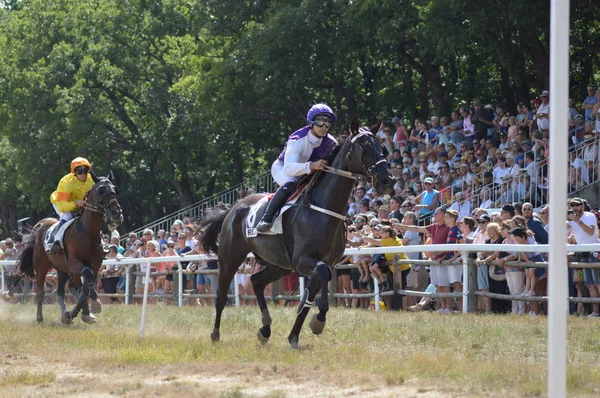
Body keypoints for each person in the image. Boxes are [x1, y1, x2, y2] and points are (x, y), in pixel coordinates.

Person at [256, 104, 338, 232]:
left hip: (308, 172)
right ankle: (266, 218)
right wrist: (312, 165)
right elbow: (289, 169)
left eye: (328, 123)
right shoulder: (297, 139)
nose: (324, 127)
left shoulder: (332, 143)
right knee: (290, 184)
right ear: (311, 123)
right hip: (283, 168)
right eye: (319, 122)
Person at [48, 157, 95, 252]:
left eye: (85, 171)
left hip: (80, 204)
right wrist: (76, 203)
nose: (83, 174)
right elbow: (62, 206)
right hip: (60, 203)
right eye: (79, 171)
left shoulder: (92, 181)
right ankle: (55, 241)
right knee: (68, 216)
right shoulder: (65, 182)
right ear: (74, 172)